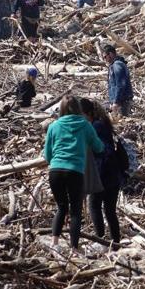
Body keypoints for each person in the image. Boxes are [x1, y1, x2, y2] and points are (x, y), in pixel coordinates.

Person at [44, 95, 104, 255]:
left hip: (55, 171)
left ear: (62, 109)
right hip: (75, 171)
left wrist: (55, 162)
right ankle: (74, 248)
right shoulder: (85, 125)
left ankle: (54, 242)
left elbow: (47, 154)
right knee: (75, 210)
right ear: (78, 108)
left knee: (61, 207)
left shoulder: (54, 126)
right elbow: (98, 147)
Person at [80, 98, 123, 248]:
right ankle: (115, 243)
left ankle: (101, 240)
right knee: (110, 210)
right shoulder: (102, 123)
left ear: (88, 113)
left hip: (103, 175)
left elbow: (104, 152)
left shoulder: (96, 127)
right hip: (113, 174)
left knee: (95, 206)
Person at [103, 45, 134, 116]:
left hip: (122, 102)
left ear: (110, 54)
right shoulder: (114, 65)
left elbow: (120, 84)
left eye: (105, 57)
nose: (105, 59)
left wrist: (116, 102)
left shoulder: (117, 65)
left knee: (123, 122)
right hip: (120, 101)